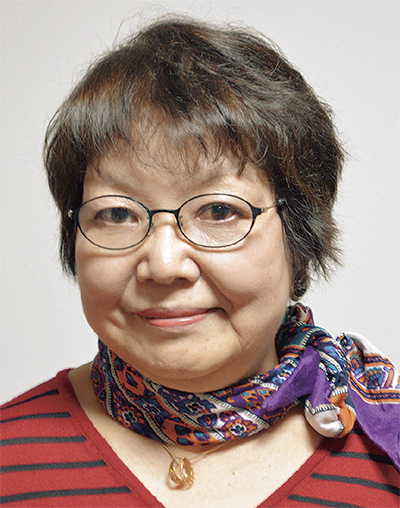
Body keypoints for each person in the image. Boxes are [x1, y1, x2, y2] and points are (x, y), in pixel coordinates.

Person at [1, 16, 399, 508]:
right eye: (118, 214)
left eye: (218, 211)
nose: (164, 265)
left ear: (299, 236)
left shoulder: (388, 451)